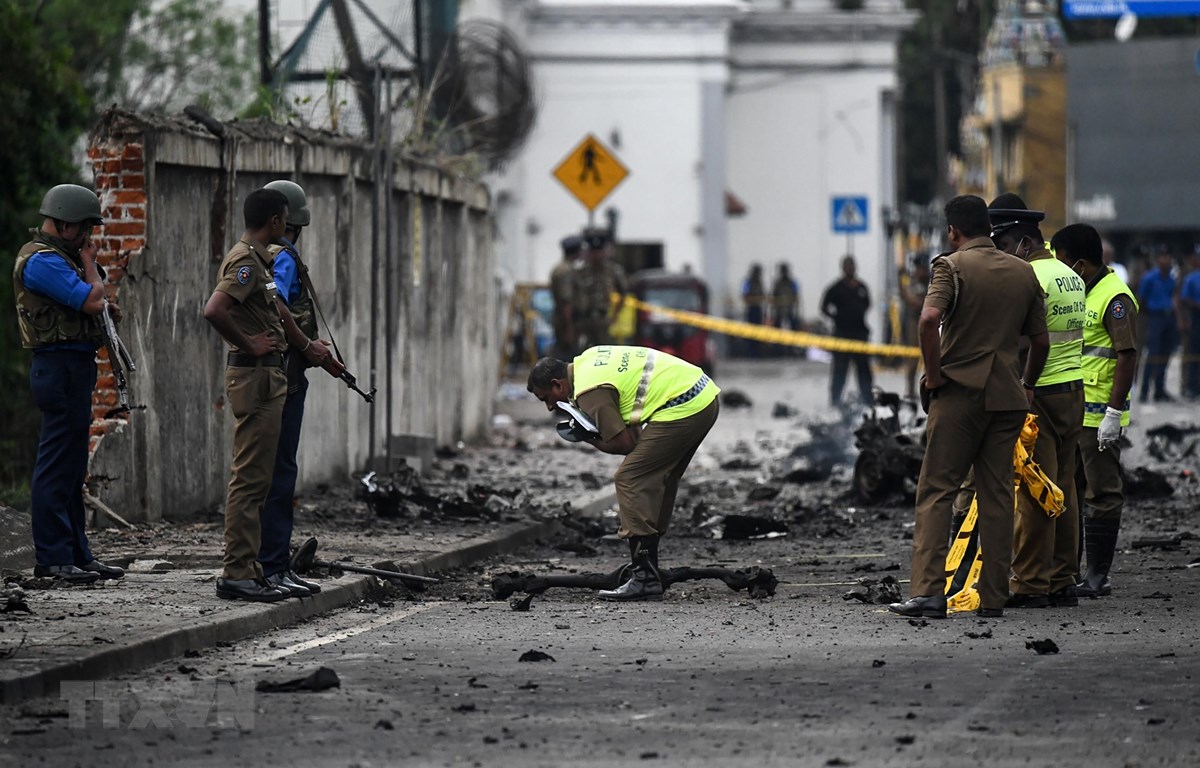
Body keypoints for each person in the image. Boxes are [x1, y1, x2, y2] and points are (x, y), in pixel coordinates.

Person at [889, 195, 1048, 620]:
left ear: (953, 231)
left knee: (937, 490)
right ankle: (993, 596)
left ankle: (928, 593)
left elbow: (928, 320)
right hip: (1007, 396)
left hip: (959, 394)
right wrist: (1027, 385)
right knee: (998, 494)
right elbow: (1040, 341)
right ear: (989, 229)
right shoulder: (1023, 271)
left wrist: (933, 376)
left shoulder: (951, 266)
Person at [526, 346, 720, 601]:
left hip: (685, 406)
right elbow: (634, 428)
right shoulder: (588, 359)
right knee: (659, 476)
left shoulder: (588, 391)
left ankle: (644, 578)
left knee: (629, 478)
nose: (550, 407)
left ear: (557, 385)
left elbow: (624, 444)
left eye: (546, 398)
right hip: (703, 396)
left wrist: (587, 437)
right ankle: (648, 567)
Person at [13, 184, 126, 584]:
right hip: (56, 368)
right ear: (64, 224)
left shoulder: (62, 257)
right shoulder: (42, 261)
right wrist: (90, 265)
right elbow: (91, 300)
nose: (87, 237)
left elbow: (93, 303)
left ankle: (78, 555)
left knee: (73, 466)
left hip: (74, 368)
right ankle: (53, 558)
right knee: (56, 465)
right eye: (84, 228)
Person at [989, 194, 1085, 609]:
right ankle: (1062, 578)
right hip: (1073, 391)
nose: (1002, 256)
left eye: (1005, 246)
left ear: (1025, 244)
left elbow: (1025, 341)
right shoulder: (1069, 275)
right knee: (1065, 486)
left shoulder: (1029, 277)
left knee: (1034, 488)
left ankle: (1030, 583)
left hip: (1039, 393)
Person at [203, 188, 292, 603]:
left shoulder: (259, 260)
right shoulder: (244, 262)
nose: (287, 225)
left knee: (259, 479)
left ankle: (249, 568)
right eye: (285, 219)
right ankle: (236, 572)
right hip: (255, 379)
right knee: (250, 479)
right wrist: (248, 343)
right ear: (274, 221)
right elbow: (214, 309)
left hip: (265, 379)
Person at [258, 180, 342, 598]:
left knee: (269, 471)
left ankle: (269, 563)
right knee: (280, 472)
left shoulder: (261, 255)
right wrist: (307, 346)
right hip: (285, 375)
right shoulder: (284, 257)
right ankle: (273, 565)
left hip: (274, 372)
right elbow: (276, 306)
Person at [1052, 224, 1139, 598]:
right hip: (1074, 412)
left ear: (1082, 264)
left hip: (1099, 417)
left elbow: (1127, 355)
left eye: (1064, 262)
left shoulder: (1115, 297)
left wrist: (1114, 414)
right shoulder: (1080, 292)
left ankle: (1097, 576)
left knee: (1102, 492)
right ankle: (1067, 572)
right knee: (1070, 492)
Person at [820, 255, 874, 406]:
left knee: (863, 370)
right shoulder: (836, 288)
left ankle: (868, 400)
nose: (850, 269)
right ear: (843, 268)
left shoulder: (862, 287)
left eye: (852, 266)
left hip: (860, 333)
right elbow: (823, 307)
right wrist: (836, 317)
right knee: (839, 370)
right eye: (847, 266)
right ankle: (835, 400)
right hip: (842, 334)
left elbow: (868, 304)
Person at [573, 230, 626, 349]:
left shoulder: (613, 270)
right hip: (584, 320)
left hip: (603, 319)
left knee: (604, 351)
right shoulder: (580, 271)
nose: (596, 255)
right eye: (593, 252)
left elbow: (623, 293)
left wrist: (615, 315)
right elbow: (573, 295)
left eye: (599, 251)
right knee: (583, 350)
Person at [1136, 248, 1178, 402]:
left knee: (1165, 354)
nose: (1166, 260)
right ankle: (1144, 390)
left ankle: (1159, 390)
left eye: (1168, 257)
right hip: (1154, 317)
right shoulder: (1149, 278)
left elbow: (1173, 296)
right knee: (1152, 354)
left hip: (1168, 316)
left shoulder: (1171, 278)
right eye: (1163, 257)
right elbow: (1141, 299)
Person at [899, 254, 930, 397]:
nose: (922, 271)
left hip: (929, 321)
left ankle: (928, 387)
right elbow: (910, 299)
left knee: (930, 357)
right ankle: (910, 390)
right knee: (912, 359)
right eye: (920, 268)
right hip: (914, 322)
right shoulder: (910, 282)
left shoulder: (931, 281)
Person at [550, 235, 581, 357]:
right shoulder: (566, 271)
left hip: (563, 320)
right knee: (567, 356)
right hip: (566, 321)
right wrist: (569, 328)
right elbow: (566, 301)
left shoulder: (561, 267)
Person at [1179, 249, 1200, 399]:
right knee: (1194, 352)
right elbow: (1184, 298)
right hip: (1196, 317)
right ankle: (1191, 386)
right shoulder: (1191, 278)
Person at [741, 264, 766, 357]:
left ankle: (758, 350)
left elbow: (763, 295)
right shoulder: (748, 282)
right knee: (750, 330)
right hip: (751, 308)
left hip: (758, 308)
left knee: (758, 330)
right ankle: (750, 351)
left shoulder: (759, 282)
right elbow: (744, 294)